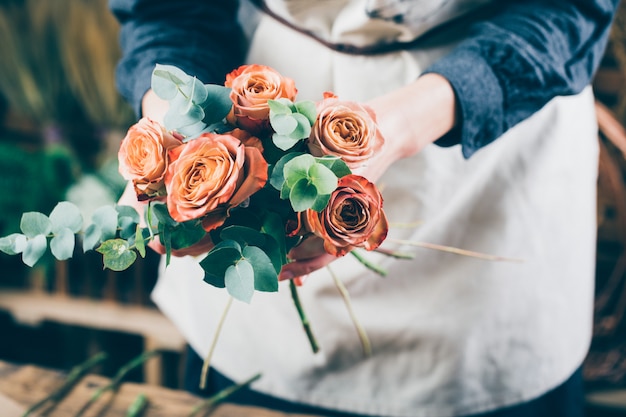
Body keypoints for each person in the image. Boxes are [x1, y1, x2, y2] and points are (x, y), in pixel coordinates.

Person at [109, 0, 619, 416]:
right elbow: (166, 9)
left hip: (490, 152)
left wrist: (389, 131)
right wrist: (178, 134)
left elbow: (571, 8)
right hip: (253, 110)